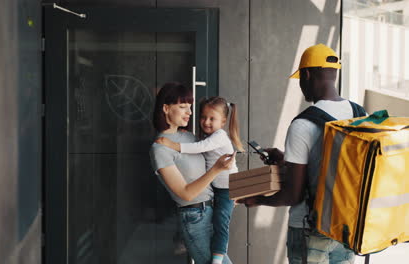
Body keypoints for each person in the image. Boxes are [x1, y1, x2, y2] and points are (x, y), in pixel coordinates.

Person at [238, 44, 364, 264]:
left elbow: (293, 195)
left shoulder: (303, 124)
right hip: (345, 227)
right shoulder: (359, 114)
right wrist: (287, 159)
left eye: (300, 79)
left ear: (306, 74)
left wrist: (257, 199)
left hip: (309, 229)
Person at [149, 82, 235, 264]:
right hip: (194, 217)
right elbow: (185, 194)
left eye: (190, 107)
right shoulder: (160, 148)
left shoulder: (189, 137)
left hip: (213, 208)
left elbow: (211, 158)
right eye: (182, 107)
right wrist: (217, 169)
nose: (189, 112)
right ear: (165, 108)